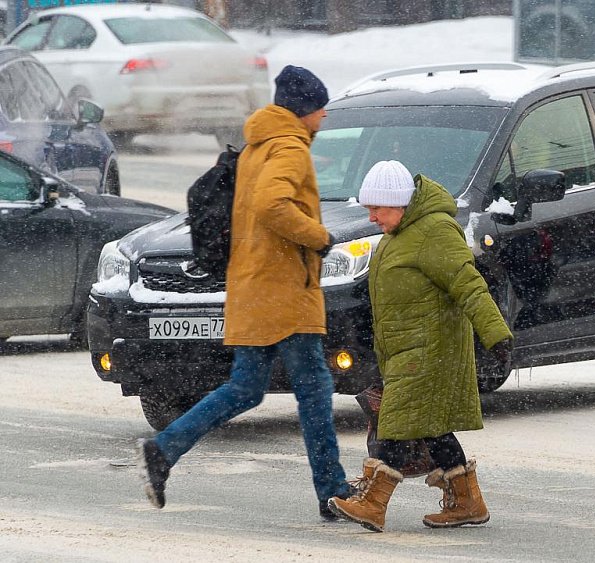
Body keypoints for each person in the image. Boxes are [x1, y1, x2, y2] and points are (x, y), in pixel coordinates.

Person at [138, 65, 353, 521]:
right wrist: (318, 236)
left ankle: (163, 449)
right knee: (314, 389)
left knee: (245, 388)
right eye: (320, 108)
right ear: (305, 110)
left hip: (254, 287)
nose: (324, 117)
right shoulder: (290, 148)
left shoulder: (258, 147)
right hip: (285, 293)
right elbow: (271, 204)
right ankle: (333, 490)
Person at [331, 160, 513, 533]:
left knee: (396, 425)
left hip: (430, 351)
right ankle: (466, 502)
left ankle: (373, 503)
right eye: (369, 210)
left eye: (378, 209)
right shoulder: (398, 235)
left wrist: (496, 334)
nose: (373, 217)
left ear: (399, 203)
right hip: (406, 351)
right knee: (431, 427)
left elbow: (468, 283)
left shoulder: (435, 231)